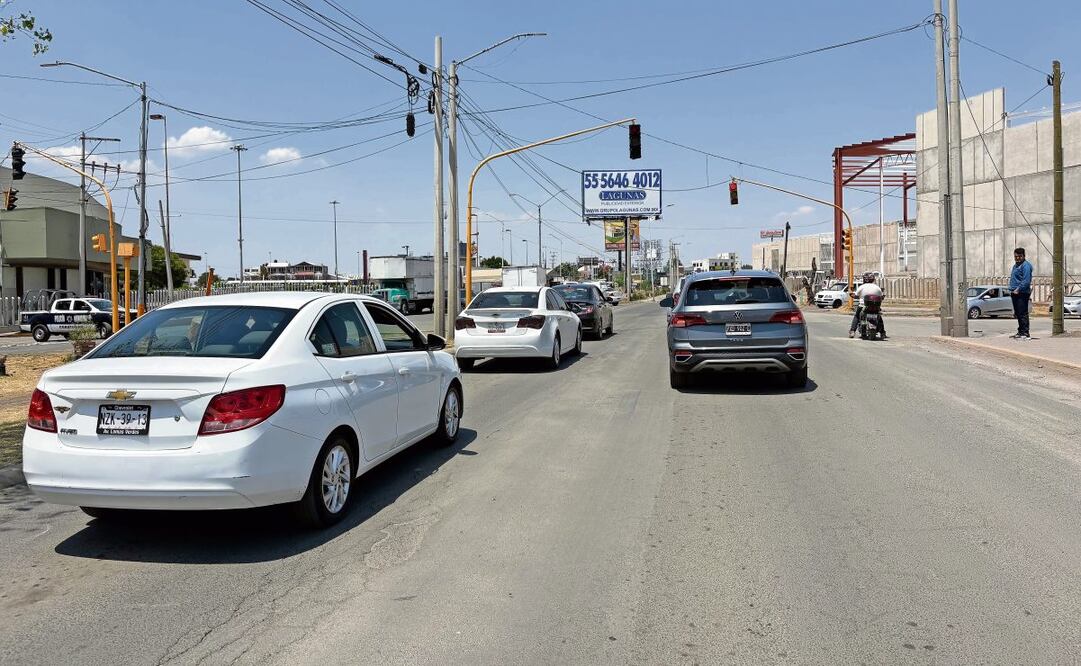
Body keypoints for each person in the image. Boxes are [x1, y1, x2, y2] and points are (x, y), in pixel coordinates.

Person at [849, 272, 887, 339]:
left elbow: (856, 295)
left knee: (857, 316)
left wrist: (853, 295)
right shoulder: (877, 287)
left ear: (864, 279)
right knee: (879, 318)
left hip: (863, 306)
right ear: (873, 279)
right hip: (875, 307)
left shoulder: (862, 287)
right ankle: (882, 333)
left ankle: (852, 331)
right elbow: (881, 297)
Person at [1009, 247, 1033, 339]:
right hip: (1014, 292)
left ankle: (1025, 332)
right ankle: (1020, 331)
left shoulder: (1026, 266)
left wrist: (1018, 289)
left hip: (1022, 293)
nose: (1017, 258)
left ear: (1023, 256)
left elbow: (1026, 281)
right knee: (1018, 313)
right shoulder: (1015, 265)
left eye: (1019, 256)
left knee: (1023, 313)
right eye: (1016, 256)